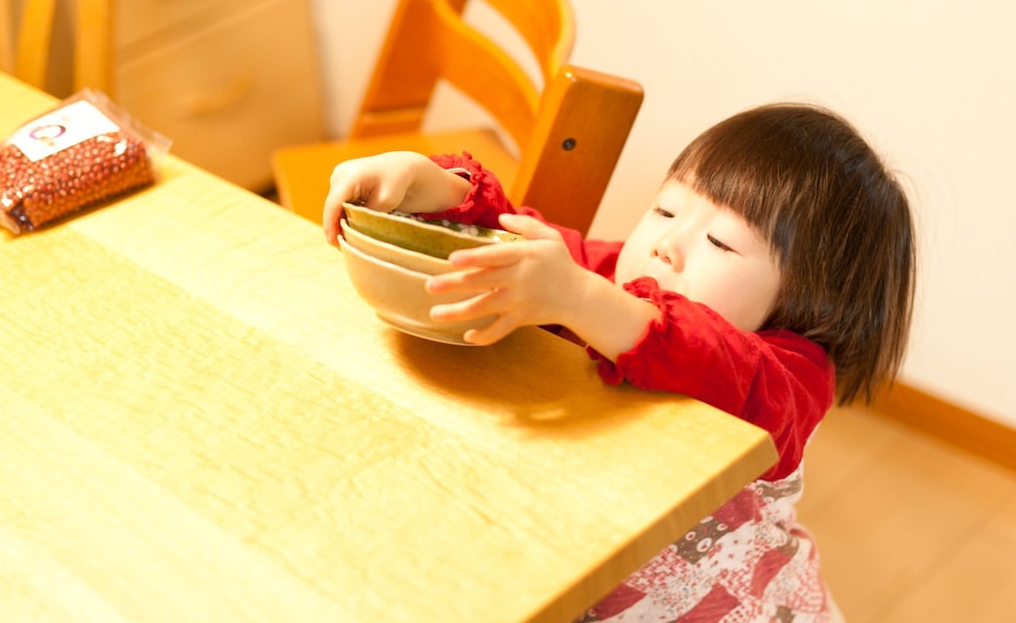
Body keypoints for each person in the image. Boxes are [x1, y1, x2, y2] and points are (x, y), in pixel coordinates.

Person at [322, 103, 916, 622]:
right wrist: (435, 187)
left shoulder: (790, 376)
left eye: (721, 243)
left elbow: (713, 360)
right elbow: (527, 245)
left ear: (805, 298)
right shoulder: (612, 281)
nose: (667, 244)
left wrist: (579, 298)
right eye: (665, 211)